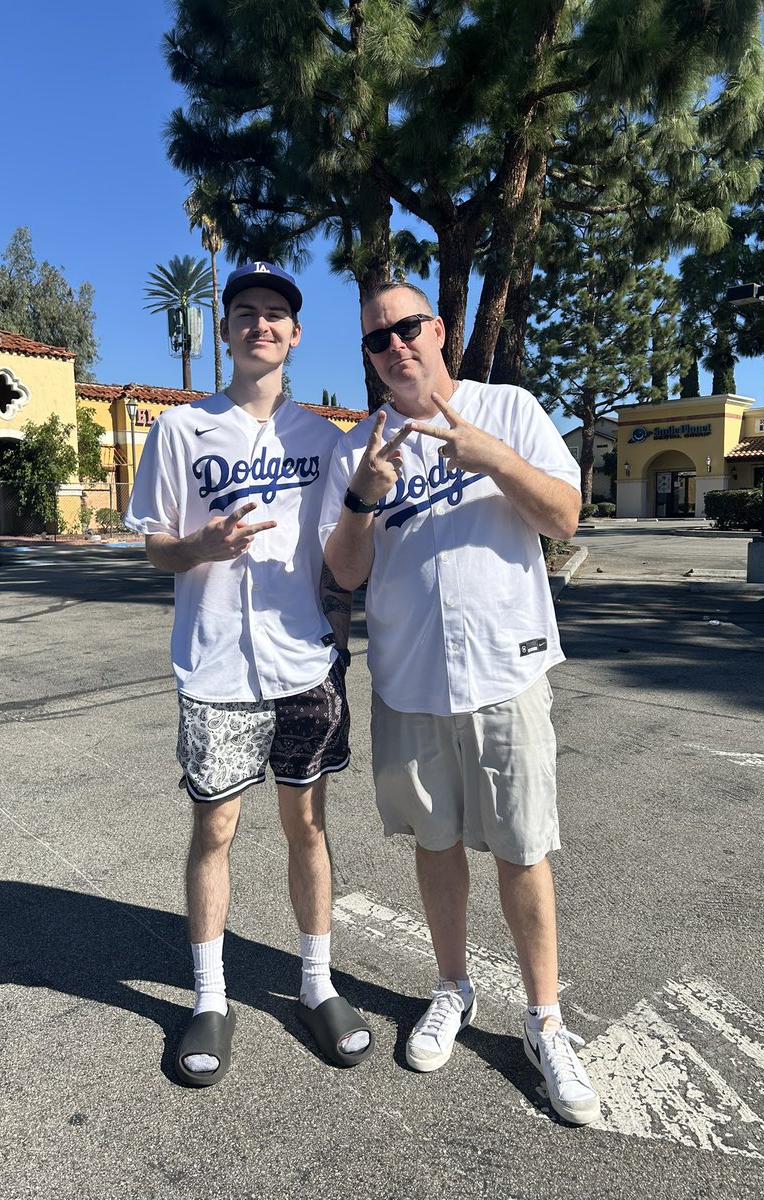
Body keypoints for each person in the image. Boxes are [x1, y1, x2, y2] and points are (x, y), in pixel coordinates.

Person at [320, 282, 600, 1124]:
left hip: (505, 672)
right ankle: (453, 989)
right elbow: (345, 573)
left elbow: (568, 517)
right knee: (436, 843)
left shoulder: (506, 408)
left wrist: (496, 460)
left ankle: (546, 1020)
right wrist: (365, 498)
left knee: (522, 847)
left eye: (409, 327)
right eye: (378, 339)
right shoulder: (357, 446)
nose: (395, 345)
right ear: (368, 357)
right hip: (408, 680)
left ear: (438, 331)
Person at [125, 262, 373, 1087]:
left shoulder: (324, 440)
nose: (261, 325)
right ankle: (209, 998)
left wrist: (336, 637)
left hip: (306, 666)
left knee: (309, 828)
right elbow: (156, 545)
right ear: (224, 330)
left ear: (296, 334)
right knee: (216, 831)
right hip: (216, 670)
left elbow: (342, 552)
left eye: (276, 314)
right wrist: (202, 546)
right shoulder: (179, 431)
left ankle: (315, 985)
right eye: (246, 313)